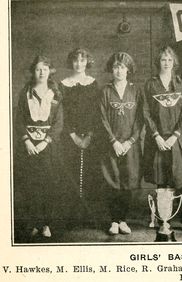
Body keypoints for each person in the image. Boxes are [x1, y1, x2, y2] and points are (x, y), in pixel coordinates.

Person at [143, 46, 182, 234]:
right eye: (163, 60)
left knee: (181, 181)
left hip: (177, 140)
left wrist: (175, 136)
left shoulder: (181, 84)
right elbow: (146, 113)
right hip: (157, 140)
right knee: (162, 181)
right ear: (158, 62)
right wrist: (156, 136)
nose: (166, 63)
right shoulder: (150, 85)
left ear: (174, 62)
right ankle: (162, 220)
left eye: (169, 60)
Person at [15, 55, 63, 238]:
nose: (42, 72)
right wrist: (27, 140)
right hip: (28, 146)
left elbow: (59, 122)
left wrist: (45, 142)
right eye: (38, 69)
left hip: (48, 146)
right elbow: (18, 119)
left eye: (45, 68)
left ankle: (46, 224)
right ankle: (34, 222)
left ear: (50, 71)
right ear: (33, 71)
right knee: (30, 184)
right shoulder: (25, 92)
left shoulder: (56, 93)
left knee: (49, 183)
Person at [99, 52, 143, 235]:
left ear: (128, 69)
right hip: (111, 145)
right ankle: (113, 221)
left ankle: (123, 219)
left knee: (128, 182)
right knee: (113, 182)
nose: (119, 70)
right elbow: (102, 118)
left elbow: (141, 119)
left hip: (130, 146)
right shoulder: (105, 91)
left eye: (123, 67)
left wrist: (130, 141)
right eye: (116, 67)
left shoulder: (136, 90)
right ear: (112, 69)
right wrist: (114, 142)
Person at [60, 48, 99, 225]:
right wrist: (73, 135)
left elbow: (96, 111)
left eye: (82, 60)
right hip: (68, 135)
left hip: (89, 134)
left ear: (87, 62)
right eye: (76, 60)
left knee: (90, 173)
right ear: (71, 62)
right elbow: (61, 113)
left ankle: (88, 215)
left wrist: (89, 134)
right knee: (70, 172)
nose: (79, 64)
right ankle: (71, 215)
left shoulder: (93, 83)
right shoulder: (63, 84)